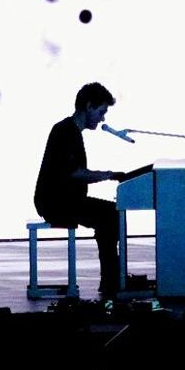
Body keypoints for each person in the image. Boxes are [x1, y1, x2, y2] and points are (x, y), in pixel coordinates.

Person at [34, 82, 124, 297]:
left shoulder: (72, 132)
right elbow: (74, 172)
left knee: (112, 214)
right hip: (55, 202)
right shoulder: (65, 132)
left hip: (67, 199)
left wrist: (107, 176)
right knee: (111, 216)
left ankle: (111, 277)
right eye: (101, 111)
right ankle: (111, 280)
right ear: (89, 106)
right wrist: (107, 175)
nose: (102, 118)